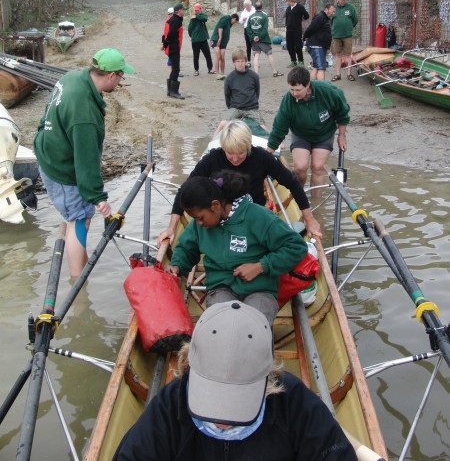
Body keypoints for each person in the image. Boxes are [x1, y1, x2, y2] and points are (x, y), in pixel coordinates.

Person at [112, 301, 358, 461]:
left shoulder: (293, 402)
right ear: (188, 366)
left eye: (236, 401)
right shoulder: (169, 406)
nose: (222, 423)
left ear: (268, 379)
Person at [34, 48, 135, 278]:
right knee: (79, 221)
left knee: (77, 217)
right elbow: (87, 159)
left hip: (48, 151)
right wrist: (98, 198)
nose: (120, 82)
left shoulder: (72, 77)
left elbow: (46, 113)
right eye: (121, 77)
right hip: (60, 168)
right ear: (111, 75)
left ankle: (79, 264)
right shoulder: (86, 116)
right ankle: (77, 282)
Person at [166, 170, 308, 324]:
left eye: (200, 218)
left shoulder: (258, 216)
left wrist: (261, 266)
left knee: (253, 325)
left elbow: (296, 247)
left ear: (215, 205)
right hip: (220, 287)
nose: (198, 223)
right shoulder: (199, 225)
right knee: (221, 325)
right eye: (195, 219)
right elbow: (187, 249)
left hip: (260, 289)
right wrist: (177, 266)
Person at [157, 119, 322, 245]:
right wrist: (171, 228)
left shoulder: (262, 157)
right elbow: (185, 190)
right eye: (230, 153)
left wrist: (309, 219)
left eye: (241, 153)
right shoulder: (212, 159)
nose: (235, 159)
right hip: (220, 221)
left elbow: (292, 183)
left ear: (248, 146)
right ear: (223, 147)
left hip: (254, 217)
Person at [267, 66, 350, 196]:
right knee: (300, 167)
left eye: (298, 90)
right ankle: (298, 197)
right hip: (300, 134)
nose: (294, 93)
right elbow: (279, 129)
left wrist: (342, 135)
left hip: (324, 134)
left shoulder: (328, 91)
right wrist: (268, 152)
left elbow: (343, 113)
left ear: (308, 85)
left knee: (317, 167)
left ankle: (316, 206)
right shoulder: (288, 100)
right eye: (291, 89)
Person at [213, 48, 266, 136]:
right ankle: (212, 142)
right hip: (236, 108)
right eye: (238, 61)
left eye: (242, 61)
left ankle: (275, 144)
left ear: (246, 61)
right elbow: (227, 95)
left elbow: (257, 92)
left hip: (251, 108)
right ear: (234, 62)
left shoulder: (254, 76)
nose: (240, 64)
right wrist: (231, 107)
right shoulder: (229, 78)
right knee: (222, 124)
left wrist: (253, 104)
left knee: (263, 127)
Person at [246, 1, 283, 77]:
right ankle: (274, 72)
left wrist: (253, 37)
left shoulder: (250, 16)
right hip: (264, 40)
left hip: (254, 41)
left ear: (254, 8)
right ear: (262, 8)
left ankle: (256, 74)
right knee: (269, 54)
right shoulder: (264, 16)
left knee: (256, 55)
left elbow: (248, 28)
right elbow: (264, 29)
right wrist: (259, 37)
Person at [303, 3, 336, 81]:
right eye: (332, 11)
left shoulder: (325, 18)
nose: (333, 13)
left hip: (319, 46)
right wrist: (305, 37)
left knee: (316, 67)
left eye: (334, 12)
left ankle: (313, 85)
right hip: (316, 46)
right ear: (326, 9)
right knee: (321, 68)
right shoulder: (320, 17)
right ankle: (321, 87)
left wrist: (327, 47)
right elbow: (311, 28)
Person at [331, 0, 358, 82]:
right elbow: (330, 21)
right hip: (336, 36)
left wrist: (349, 27)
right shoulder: (333, 8)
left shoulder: (351, 8)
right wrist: (333, 29)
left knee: (348, 55)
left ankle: (349, 74)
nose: (343, 1)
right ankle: (338, 74)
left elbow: (355, 19)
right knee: (337, 54)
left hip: (347, 35)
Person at [163, 2, 186, 98]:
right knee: (176, 69)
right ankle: (173, 92)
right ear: (178, 11)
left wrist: (164, 44)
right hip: (173, 48)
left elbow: (166, 34)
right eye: (183, 9)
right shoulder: (175, 20)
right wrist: (165, 44)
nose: (184, 11)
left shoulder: (174, 19)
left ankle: (170, 91)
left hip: (173, 47)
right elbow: (169, 34)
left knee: (175, 69)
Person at [210, 13, 240, 80]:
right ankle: (217, 74)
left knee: (222, 57)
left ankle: (222, 73)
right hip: (216, 39)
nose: (234, 23)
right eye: (235, 21)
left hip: (223, 43)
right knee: (218, 56)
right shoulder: (226, 18)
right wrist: (220, 38)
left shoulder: (230, 24)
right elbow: (220, 27)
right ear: (234, 19)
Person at [188, 3, 214, 76]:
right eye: (195, 10)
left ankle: (210, 69)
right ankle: (196, 70)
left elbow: (205, 18)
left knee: (207, 55)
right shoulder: (192, 19)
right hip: (195, 41)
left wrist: (196, 16)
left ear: (200, 9)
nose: (196, 11)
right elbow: (190, 29)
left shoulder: (201, 16)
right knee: (196, 56)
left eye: (198, 10)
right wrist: (192, 36)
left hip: (203, 40)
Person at [285, 0, 309, 68]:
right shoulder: (288, 8)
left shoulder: (300, 7)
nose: (287, 3)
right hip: (289, 30)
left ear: (291, 1)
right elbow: (287, 17)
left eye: (288, 1)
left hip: (297, 30)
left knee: (298, 46)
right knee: (289, 46)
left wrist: (302, 19)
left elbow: (306, 15)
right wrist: (286, 24)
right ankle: (293, 61)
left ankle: (301, 61)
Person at [239, 0, 256, 66]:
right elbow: (240, 22)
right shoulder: (243, 12)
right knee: (248, 46)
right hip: (246, 30)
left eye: (248, 5)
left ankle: (256, 60)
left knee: (255, 46)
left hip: (254, 29)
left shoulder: (254, 10)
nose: (246, 7)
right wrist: (243, 19)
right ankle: (248, 61)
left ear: (250, 5)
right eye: (245, 5)